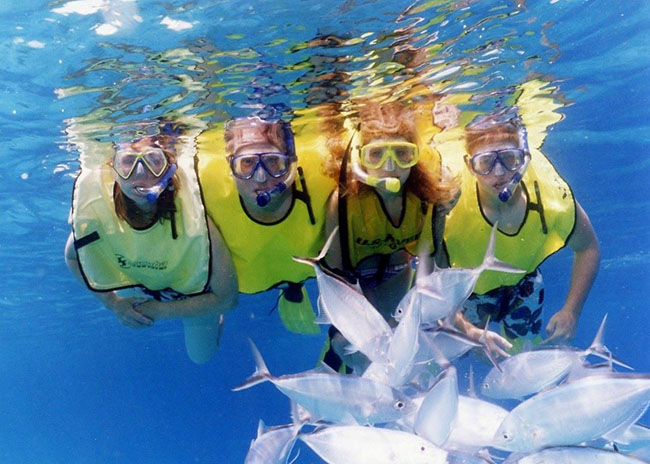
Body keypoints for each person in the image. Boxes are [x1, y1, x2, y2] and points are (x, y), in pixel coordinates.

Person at [320, 100, 513, 371]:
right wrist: (347, 333)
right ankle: (332, 364)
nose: (390, 166)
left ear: (415, 158)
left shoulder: (427, 200)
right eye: (376, 155)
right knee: (353, 351)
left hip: (398, 271)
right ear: (360, 159)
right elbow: (336, 282)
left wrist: (469, 331)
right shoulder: (342, 203)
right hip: (354, 281)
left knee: (397, 346)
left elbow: (434, 287)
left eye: (402, 154)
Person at [65, 128, 238, 364]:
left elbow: (227, 299)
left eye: (153, 161)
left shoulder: (193, 215)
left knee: (201, 356)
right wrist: (114, 304)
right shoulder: (98, 213)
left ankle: (211, 320)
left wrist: (160, 310)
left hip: (190, 291)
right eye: (127, 163)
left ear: (169, 167)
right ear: (113, 170)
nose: (141, 174)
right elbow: (72, 257)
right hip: (138, 282)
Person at [441, 112, 601, 351]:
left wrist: (572, 311)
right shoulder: (447, 201)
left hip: (524, 286)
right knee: (446, 354)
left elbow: (588, 247)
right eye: (485, 163)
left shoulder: (550, 198)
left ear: (525, 159)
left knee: (522, 359)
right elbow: (429, 282)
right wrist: (467, 330)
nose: (499, 173)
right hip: (463, 294)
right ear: (468, 165)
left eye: (509, 159)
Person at [197, 115, 335, 334]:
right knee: (200, 356)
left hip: (308, 272)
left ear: (291, 160)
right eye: (247, 164)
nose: (261, 177)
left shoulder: (324, 172)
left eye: (273, 161)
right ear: (228, 165)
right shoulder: (204, 182)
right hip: (241, 285)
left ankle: (293, 289)